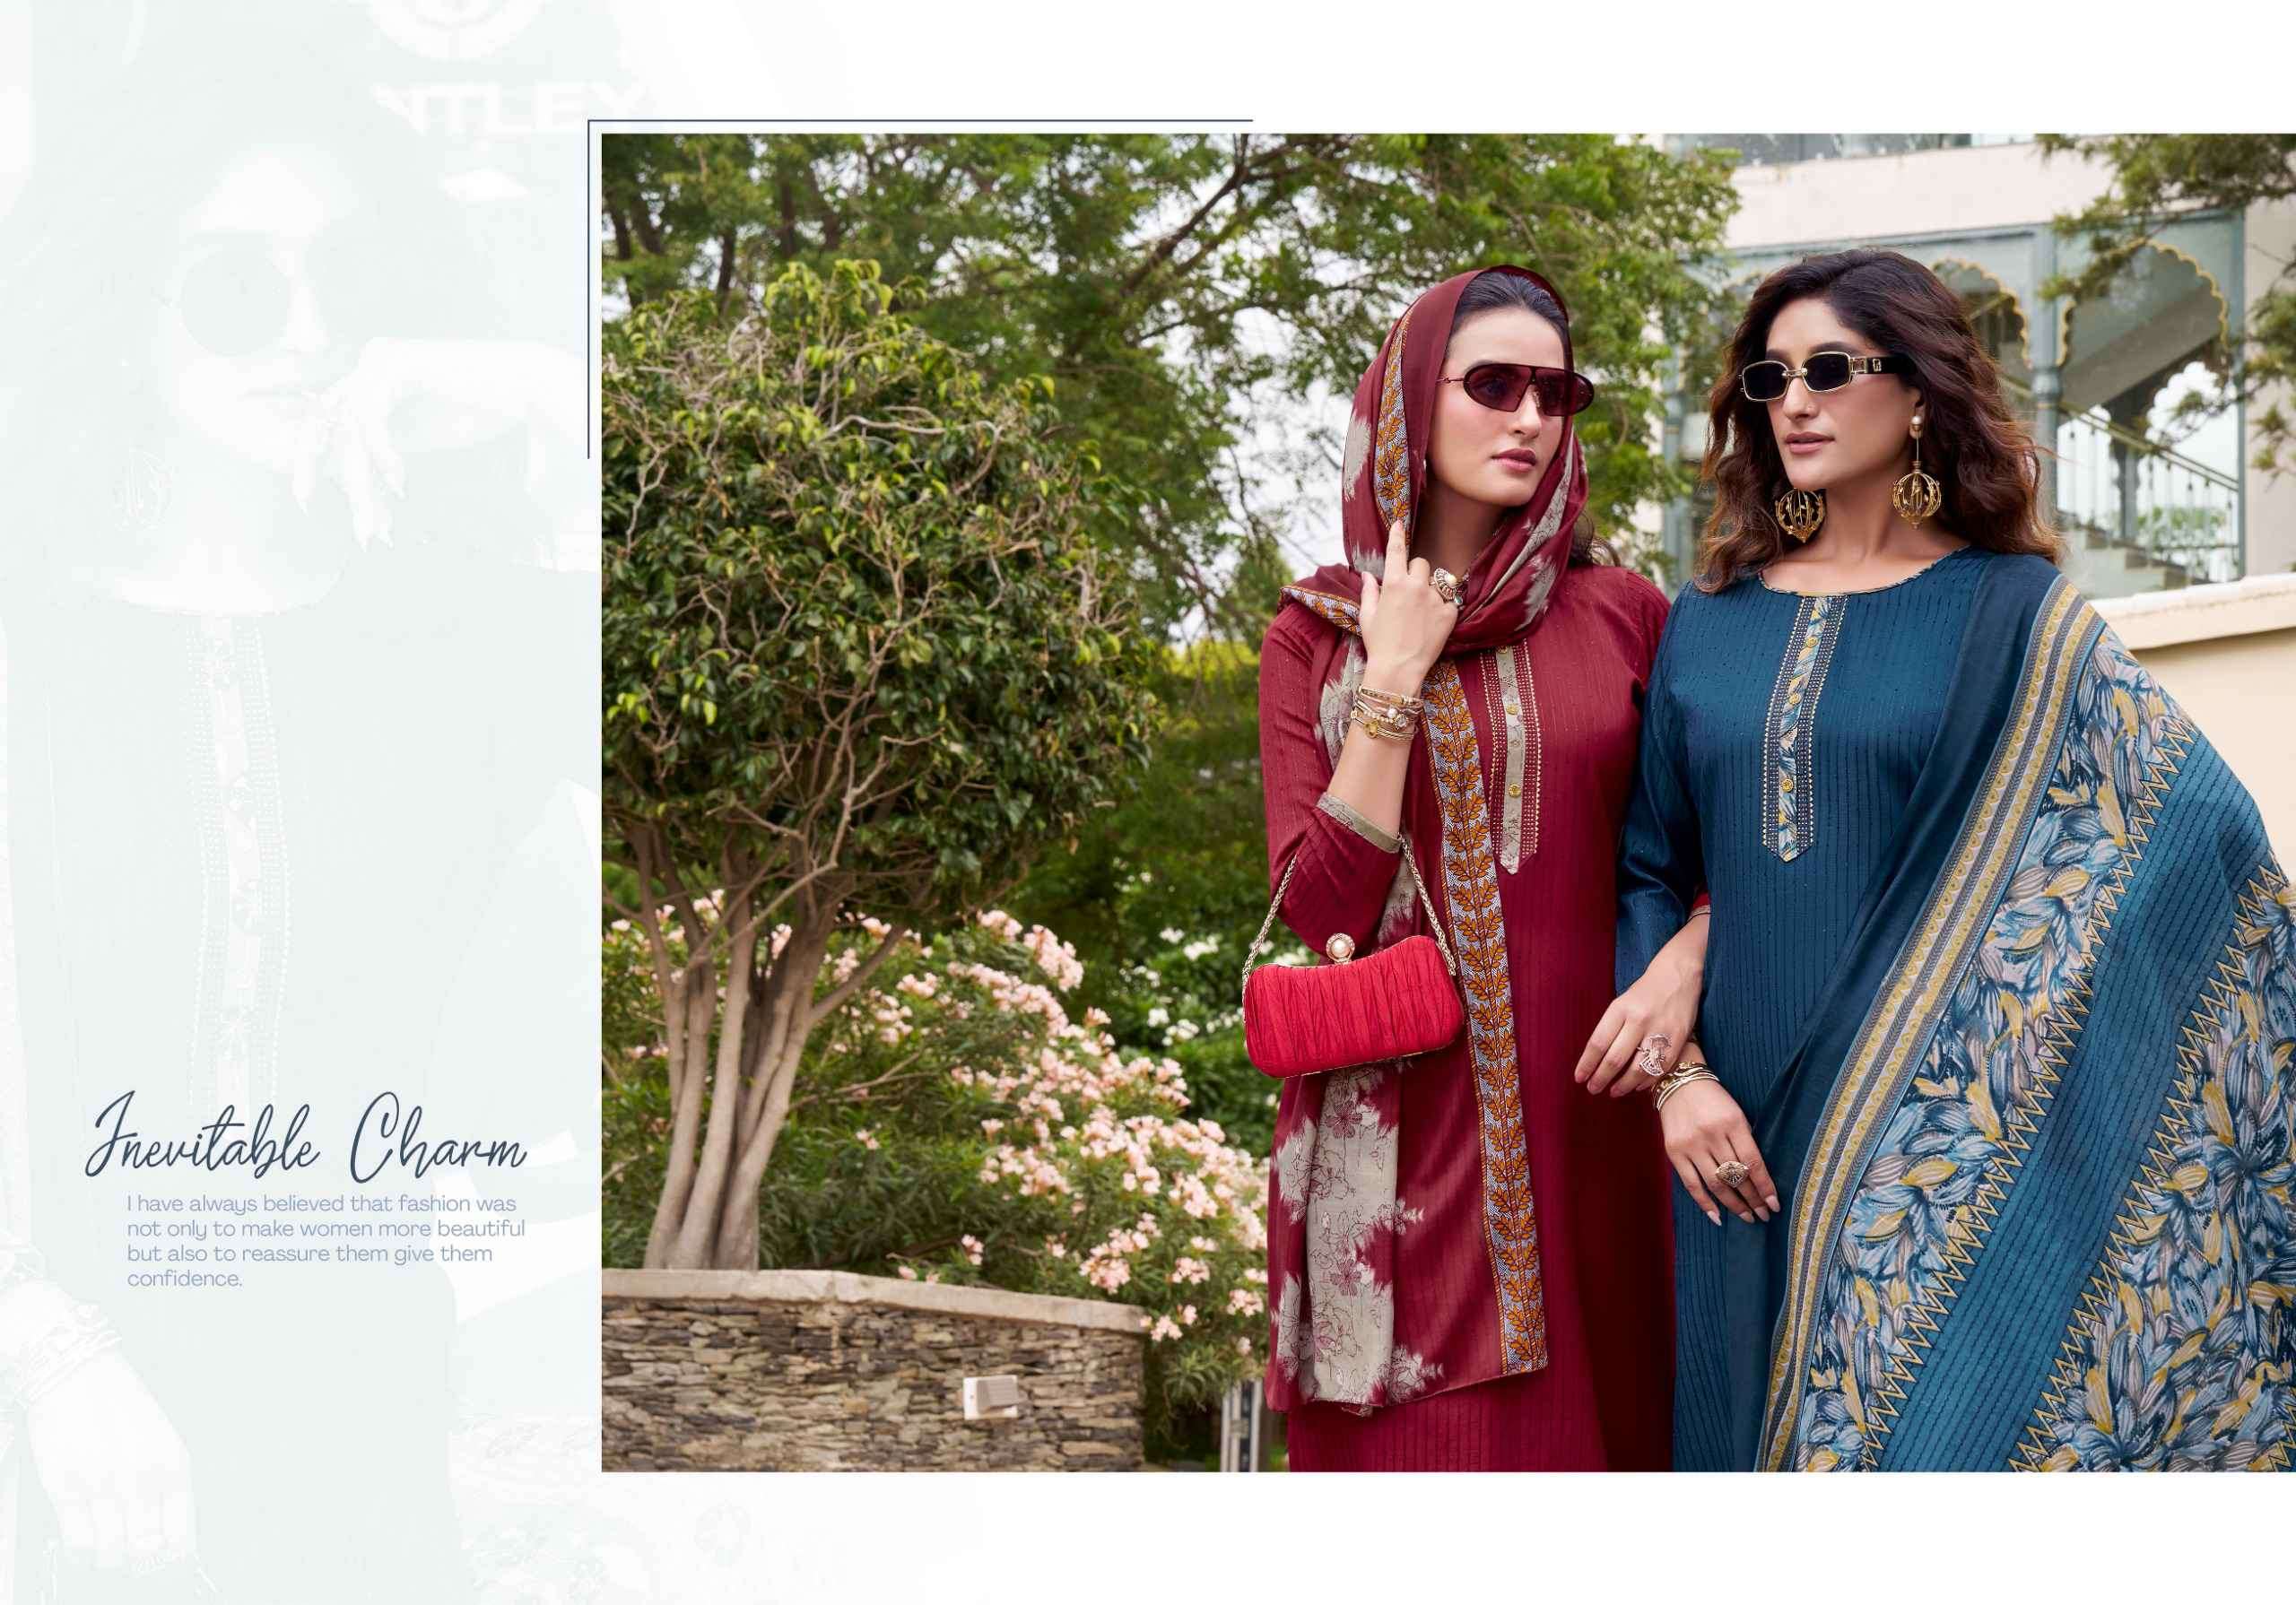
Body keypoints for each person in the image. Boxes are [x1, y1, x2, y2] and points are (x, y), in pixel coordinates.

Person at [1612, 247, 2296, 1471]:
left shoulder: (2017, 614)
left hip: (1931, 1141)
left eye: (1830, 370)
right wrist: (1680, 1081)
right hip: (1729, 1131)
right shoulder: (1707, 620)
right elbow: (1649, 868)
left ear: (1920, 391)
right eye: (1771, 377)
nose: (1794, 403)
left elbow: (2191, 833)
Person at [1254, 265, 1707, 1471]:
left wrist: (1683, 969)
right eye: (1493, 385)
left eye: (1556, 393)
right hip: (1400, 1155)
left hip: (1606, 1121)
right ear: (1411, 399)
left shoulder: (1624, 614)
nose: (1530, 417)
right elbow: (1322, 904)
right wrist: (1393, 677)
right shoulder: (1316, 636)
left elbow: (1714, 855)